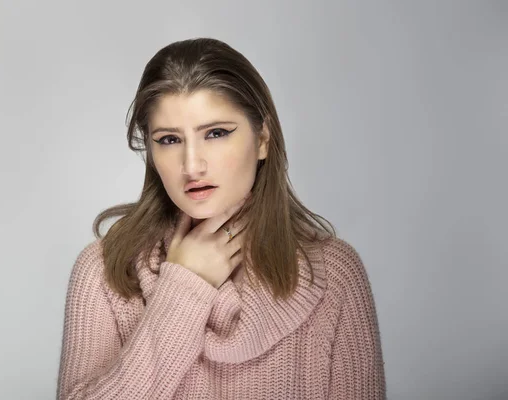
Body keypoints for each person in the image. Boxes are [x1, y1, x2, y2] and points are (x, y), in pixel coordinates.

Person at [56, 38, 386, 399]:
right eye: (169, 140)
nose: (192, 165)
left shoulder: (333, 274)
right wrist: (184, 287)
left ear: (262, 139)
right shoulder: (106, 271)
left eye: (216, 133)